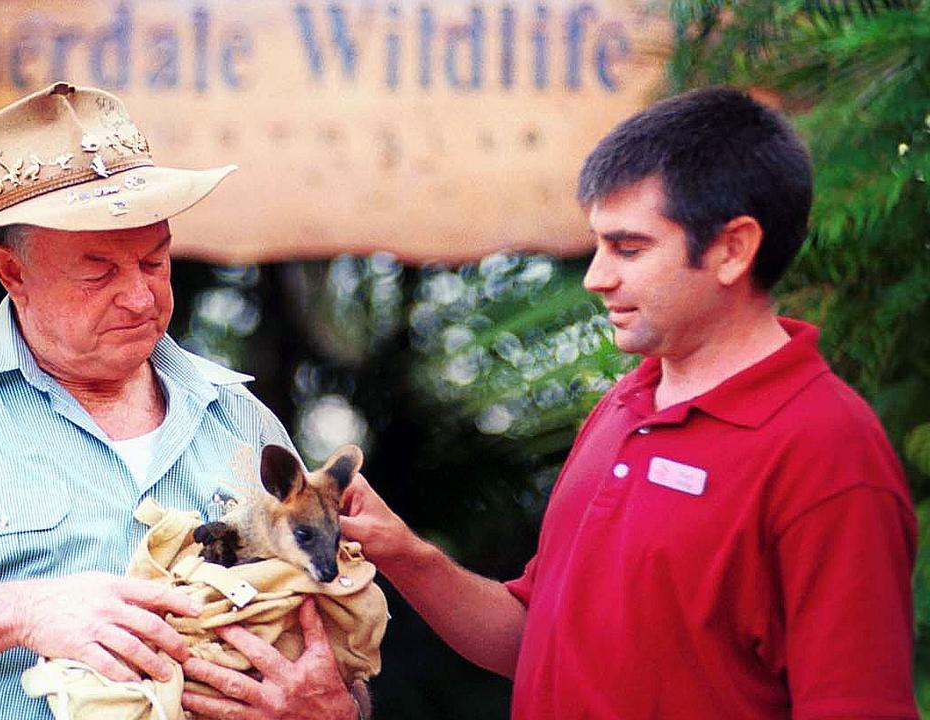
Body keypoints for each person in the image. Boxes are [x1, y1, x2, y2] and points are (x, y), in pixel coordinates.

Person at [0, 83, 364, 720]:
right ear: (11, 273)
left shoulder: (241, 420)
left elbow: (334, 641)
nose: (140, 298)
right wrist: (24, 612)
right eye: (99, 271)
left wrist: (336, 709)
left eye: (155, 263)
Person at [340, 86, 918, 718]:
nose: (596, 277)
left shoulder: (829, 450)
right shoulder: (627, 403)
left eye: (630, 248)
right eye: (597, 245)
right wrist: (406, 553)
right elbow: (535, 643)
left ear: (732, 249)